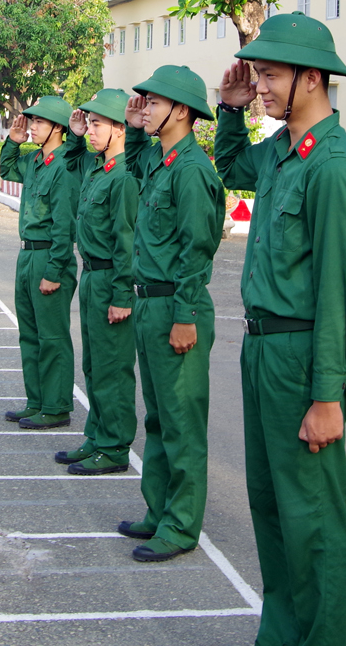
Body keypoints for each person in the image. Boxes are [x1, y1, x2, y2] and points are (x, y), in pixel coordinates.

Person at [214, 12, 346, 646]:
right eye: (257, 75)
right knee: (272, 509)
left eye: (271, 76)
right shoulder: (284, 151)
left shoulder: (332, 167)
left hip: (302, 355)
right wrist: (230, 111)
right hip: (263, 349)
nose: (260, 86)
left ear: (312, 78)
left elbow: (340, 292)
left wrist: (327, 395)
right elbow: (232, 166)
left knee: (312, 522)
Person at [119, 65, 222, 563]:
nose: (147, 108)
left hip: (175, 305)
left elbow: (196, 250)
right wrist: (135, 131)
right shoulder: (162, 161)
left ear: (181, 111)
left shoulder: (192, 170)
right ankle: (159, 510)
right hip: (149, 303)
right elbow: (133, 165)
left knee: (181, 423)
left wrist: (185, 315)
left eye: (155, 103)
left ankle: (180, 525)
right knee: (158, 417)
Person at [55, 89, 140, 476]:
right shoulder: (97, 169)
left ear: (120, 129)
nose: (89, 130)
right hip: (91, 275)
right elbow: (69, 162)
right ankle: (97, 436)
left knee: (112, 367)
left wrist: (122, 294)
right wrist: (75, 136)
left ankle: (114, 446)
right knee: (92, 365)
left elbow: (126, 241)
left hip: (110, 278)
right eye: (88, 124)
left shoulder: (123, 176)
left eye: (97, 124)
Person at [0, 95, 82, 430]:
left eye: (39, 122)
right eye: (32, 121)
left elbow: (65, 225)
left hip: (49, 255)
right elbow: (7, 169)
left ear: (58, 128)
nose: (32, 127)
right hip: (27, 254)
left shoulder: (65, 166)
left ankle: (56, 406)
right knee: (30, 334)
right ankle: (36, 402)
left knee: (52, 336)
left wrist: (54, 271)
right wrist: (13, 142)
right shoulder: (34, 161)